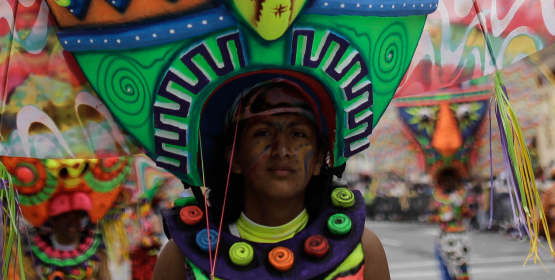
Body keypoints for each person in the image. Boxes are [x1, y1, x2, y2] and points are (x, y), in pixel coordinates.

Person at [153, 79, 391, 280]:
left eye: (297, 134)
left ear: (319, 160)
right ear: (234, 157)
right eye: (263, 133)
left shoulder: (363, 251)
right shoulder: (181, 257)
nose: (282, 149)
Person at [27, 193, 110, 280]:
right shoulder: (35, 255)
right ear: (53, 220)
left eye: (76, 216)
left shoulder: (96, 252)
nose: (72, 222)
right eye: (65, 217)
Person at [432, 168, 469, 280]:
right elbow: (430, 217)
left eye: (451, 179)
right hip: (444, 236)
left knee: (461, 268)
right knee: (445, 267)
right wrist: (441, 217)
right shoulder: (437, 197)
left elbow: (469, 214)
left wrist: (462, 207)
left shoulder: (461, 195)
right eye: (446, 180)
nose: (448, 182)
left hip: (459, 236)